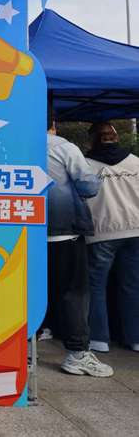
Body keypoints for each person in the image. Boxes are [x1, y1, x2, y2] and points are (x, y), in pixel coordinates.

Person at [46, 114, 113, 376]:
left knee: (28, 291)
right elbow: (88, 187)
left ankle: (24, 350)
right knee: (74, 293)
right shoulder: (63, 147)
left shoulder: (10, 142)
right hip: (63, 233)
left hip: (21, 235)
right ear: (53, 125)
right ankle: (77, 354)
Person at [84, 122, 139, 353]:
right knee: (132, 285)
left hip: (102, 232)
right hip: (136, 231)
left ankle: (98, 338)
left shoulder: (86, 165)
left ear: (93, 140)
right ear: (116, 138)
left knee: (96, 286)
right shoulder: (135, 162)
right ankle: (135, 338)